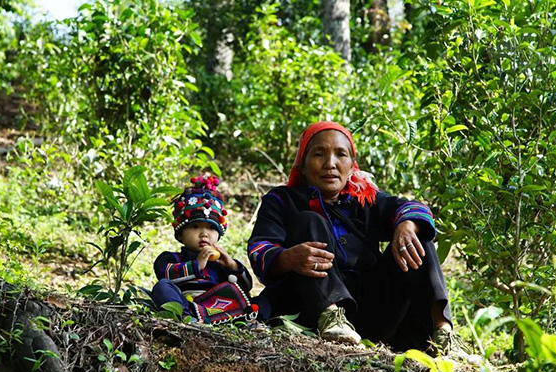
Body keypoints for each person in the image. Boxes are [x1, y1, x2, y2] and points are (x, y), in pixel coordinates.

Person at [247, 121, 453, 351]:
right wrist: (287, 258)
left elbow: (414, 207)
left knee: (418, 236)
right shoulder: (282, 201)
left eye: (340, 154)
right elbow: (259, 248)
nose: (330, 164)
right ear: (303, 165)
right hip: (309, 312)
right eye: (318, 154)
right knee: (309, 220)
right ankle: (331, 316)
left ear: (352, 165)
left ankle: (443, 334)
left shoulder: (366, 200)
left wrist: (406, 225)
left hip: (373, 315)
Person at [151, 174, 256, 324]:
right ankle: (187, 318)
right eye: (195, 227)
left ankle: (242, 321)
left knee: (241, 293)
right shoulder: (171, 258)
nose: (204, 234)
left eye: (211, 228)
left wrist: (232, 266)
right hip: (187, 305)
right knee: (162, 287)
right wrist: (197, 265)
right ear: (181, 235)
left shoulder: (221, 264)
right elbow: (165, 273)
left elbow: (246, 286)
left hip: (218, 309)